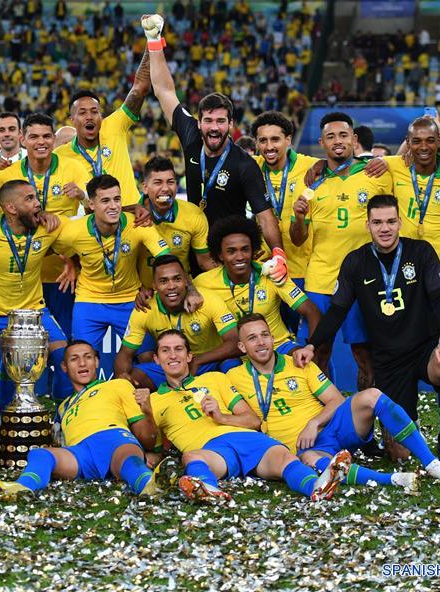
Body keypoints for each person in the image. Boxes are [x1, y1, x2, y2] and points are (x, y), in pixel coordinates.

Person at [294, 194, 440, 468]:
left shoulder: (421, 252)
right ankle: (409, 425)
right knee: (400, 454)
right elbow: (337, 311)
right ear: (368, 225)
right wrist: (312, 344)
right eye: (377, 222)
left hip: (424, 348)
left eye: (390, 221)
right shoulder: (355, 261)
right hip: (388, 361)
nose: (384, 228)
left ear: (400, 223)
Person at [141, 14, 289, 285]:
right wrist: (154, 42)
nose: (213, 127)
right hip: (189, 247)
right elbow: (164, 90)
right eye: (208, 120)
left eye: (221, 121)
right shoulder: (191, 137)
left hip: (225, 254)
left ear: (231, 124)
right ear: (199, 123)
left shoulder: (244, 165)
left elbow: (265, 217)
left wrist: (279, 253)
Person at [230, 315, 440, 487]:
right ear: (242, 347)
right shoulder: (233, 378)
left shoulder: (298, 363)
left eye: (265, 335)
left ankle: (432, 464)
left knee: (371, 395)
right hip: (302, 449)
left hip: (331, 429)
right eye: (252, 338)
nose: (261, 342)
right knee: (311, 460)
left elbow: (336, 400)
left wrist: (315, 423)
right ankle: (393, 480)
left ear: (272, 338)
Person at [135, 330, 350, 502]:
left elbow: (253, 421)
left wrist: (221, 417)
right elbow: (151, 443)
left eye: (179, 349)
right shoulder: (153, 400)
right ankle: (209, 491)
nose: (173, 355)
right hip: (211, 450)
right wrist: (146, 412)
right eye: (165, 351)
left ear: (189, 356)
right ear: (156, 359)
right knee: (191, 457)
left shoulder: (215, 379)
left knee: (285, 459)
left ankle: (316, 487)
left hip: (247, 438)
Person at [289, 112, 392, 391]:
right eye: (331, 136)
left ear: (354, 140)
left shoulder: (376, 174)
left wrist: (382, 161)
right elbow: (297, 240)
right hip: (322, 280)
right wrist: (298, 219)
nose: (338, 141)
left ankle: (367, 428)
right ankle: (324, 424)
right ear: (322, 142)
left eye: (343, 135)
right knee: (318, 353)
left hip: (365, 281)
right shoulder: (311, 181)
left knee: (365, 356)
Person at [0, 340, 159, 497]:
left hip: (113, 439)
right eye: (74, 359)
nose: (82, 363)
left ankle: (146, 485)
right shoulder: (63, 407)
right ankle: (23, 487)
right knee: (41, 454)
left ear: (97, 362)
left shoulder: (118, 385)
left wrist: (148, 414)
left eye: (88, 357)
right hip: (81, 453)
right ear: (64, 367)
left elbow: (147, 439)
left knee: (129, 461)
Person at [0, 179, 70, 405]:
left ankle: (62, 415)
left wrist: (71, 261)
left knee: (64, 357)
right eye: (29, 199)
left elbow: (86, 228)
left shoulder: (48, 228)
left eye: (37, 197)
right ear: (11, 208)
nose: (38, 203)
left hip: (33, 313)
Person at [0, 113, 91, 336]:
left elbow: (93, 208)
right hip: (22, 281)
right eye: (34, 136)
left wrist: (83, 195)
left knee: (63, 341)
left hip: (62, 275)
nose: (41, 142)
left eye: (47, 136)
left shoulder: (73, 168)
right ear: (23, 139)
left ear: (53, 140)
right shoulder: (6, 176)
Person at [380, 118, 440, 334]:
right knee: (404, 348)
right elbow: (353, 166)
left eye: (430, 140)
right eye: (417, 141)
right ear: (408, 142)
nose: (423, 147)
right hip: (401, 276)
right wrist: (319, 165)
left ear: (439, 141)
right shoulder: (392, 166)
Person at [55, 175, 171, 351]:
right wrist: (70, 262)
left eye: (117, 199)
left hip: (131, 299)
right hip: (89, 300)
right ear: (92, 205)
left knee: (148, 357)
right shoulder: (74, 231)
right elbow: (54, 247)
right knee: (80, 355)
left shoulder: (138, 224)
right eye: (105, 200)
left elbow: (166, 260)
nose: (113, 206)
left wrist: (152, 287)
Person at [195, 216, 319, 361]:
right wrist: (191, 291)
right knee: (227, 369)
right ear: (220, 255)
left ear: (253, 251)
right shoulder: (203, 283)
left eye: (245, 249)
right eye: (231, 251)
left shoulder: (273, 273)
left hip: (277, 346)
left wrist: (311, 348)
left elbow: (311, 311)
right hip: (237, 354)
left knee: (303, 362)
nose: (239, 256)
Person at [115, 255, 239, 390]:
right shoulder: (145, 309)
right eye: (163, 281)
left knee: (231, 365)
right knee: (133, 377)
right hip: (171, 366)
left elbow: (235, 342)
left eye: (177, 279)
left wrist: (198, 360)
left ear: (186, 281)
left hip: (208, 362)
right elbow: (124, 355)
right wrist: (121, 378)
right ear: (154, 285)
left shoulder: (208, 300)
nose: (171, 286)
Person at [53, 49, 150, 206]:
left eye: (94, 111)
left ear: (101, 117)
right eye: (82, 113)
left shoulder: (114, 127)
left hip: (131, 216)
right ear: (72, 120)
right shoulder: (60, 155)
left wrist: (152, 41)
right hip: (92, 223)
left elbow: (140, 88)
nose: (89, 117)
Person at [249, 111, 321, 297]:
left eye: (275, 139)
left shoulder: (311, 166)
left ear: (288, 140)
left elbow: (344, 164)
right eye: (262, 140)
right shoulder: (251, 168)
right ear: (256, 143)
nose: (269, 146)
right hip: (265, 268)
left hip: (301, 270)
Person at [136, 156, 214, 290]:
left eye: (170, 182)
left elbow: (205, 262)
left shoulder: (193, 214)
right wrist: (137, 289)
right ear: (145, 187)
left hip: (182, 291)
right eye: (158, 182)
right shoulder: (131, 217)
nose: (165, 188)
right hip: (142, 295)